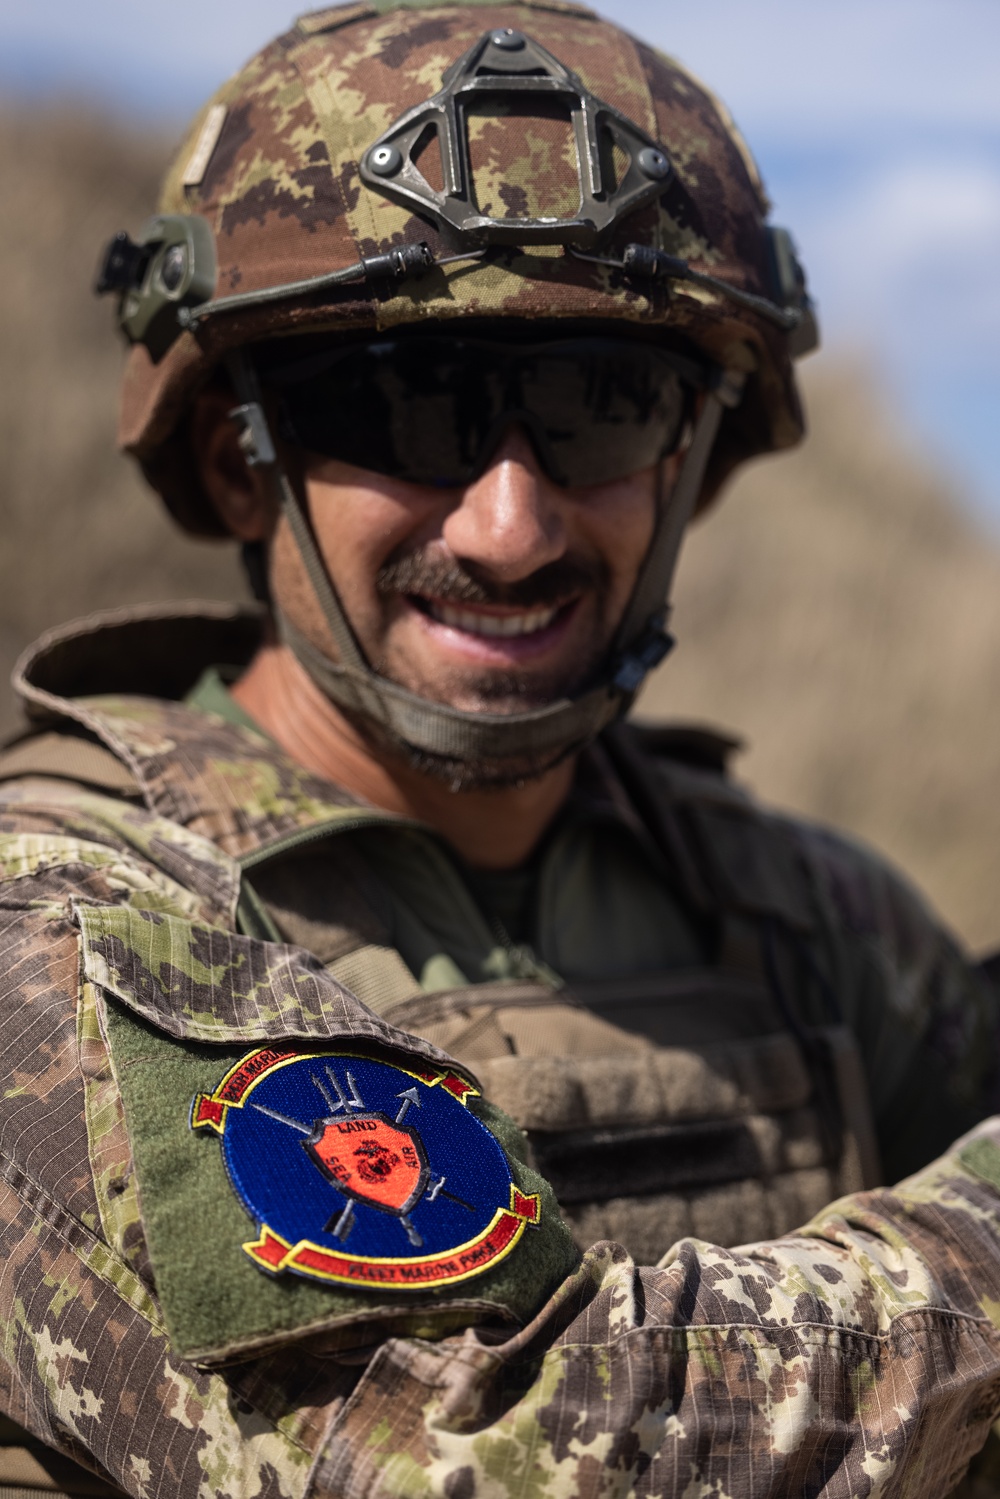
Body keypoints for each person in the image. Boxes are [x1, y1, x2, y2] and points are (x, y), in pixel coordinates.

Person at [2, 3, 1000, 1494]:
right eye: (406, 409)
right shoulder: (63, 929)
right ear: (241, 459)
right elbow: (481, 1450)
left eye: (602, 408)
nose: (510, 527)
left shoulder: (812, 918)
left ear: (690, 464)